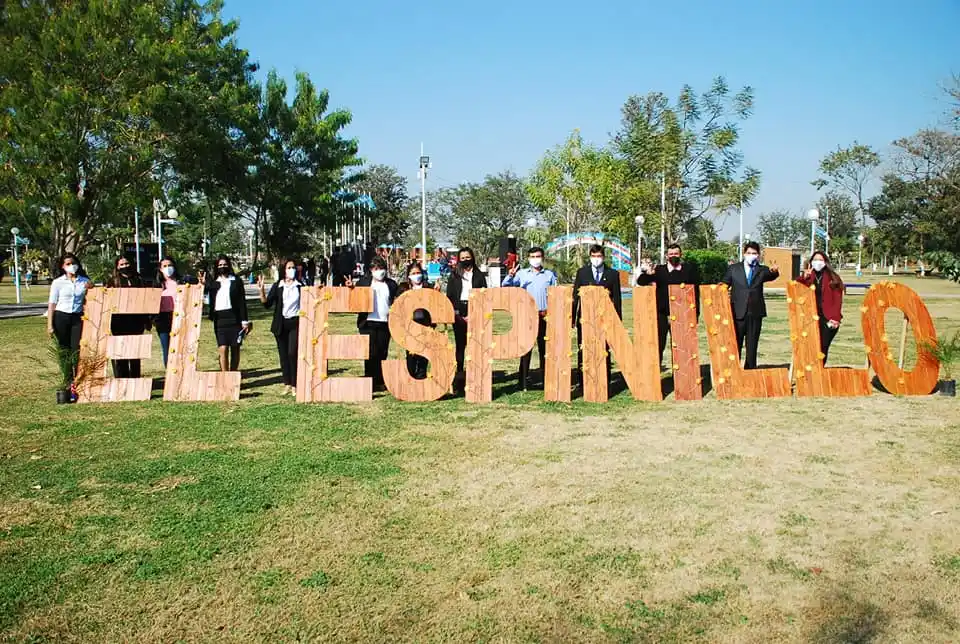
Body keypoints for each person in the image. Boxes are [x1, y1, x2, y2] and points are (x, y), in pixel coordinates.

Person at [636, 243, 701, 370]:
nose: (673, 256)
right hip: (662, 315)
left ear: (680, 254)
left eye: (676, 254)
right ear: (667, 256)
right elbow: (641, 281)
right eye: (671, 254)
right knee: (658, 344)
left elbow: (695, 292)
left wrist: (696, 313)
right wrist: (648, 273)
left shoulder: (689, 270)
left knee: (682, 347)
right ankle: (655, 371)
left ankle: (683, 374)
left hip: (682, 314)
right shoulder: (659, 270)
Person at [502, 246, 558, 389]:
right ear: (528, 259)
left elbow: (555, 295)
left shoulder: (550, 275)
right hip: (527, 316)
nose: (535, 260)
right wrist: (511, 275)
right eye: (532, 257)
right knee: (526, 349)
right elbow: (505, 286)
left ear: (543, 258)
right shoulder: (521, 274)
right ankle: (523, 382)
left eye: (538, 256)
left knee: (544, 349)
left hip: (545, 315)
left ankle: (547, 380)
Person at [721, 242, 780, 369]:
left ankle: (750, 370)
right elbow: (725, 284)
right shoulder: (734, 269)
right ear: (744, 253)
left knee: (752, 344)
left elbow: (772, 275)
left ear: (758, 255)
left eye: (754, 253)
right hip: (737, 312)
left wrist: (775, 271)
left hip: (755, 312)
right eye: (749, 253)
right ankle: (733, 369)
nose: (751, 255)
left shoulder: (762, 270)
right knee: (735, 343)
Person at [572, 245, 622, 378]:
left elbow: (617, 298)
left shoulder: (612, 274)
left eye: (599, 256)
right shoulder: (582, 273)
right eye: (593, 256)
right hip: (585, 318)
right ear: (590, 257)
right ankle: (583, 379)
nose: (596, 259)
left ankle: (604, 378)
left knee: (604, 348)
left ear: (603, 257)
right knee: (584, 348)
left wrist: (618, 320)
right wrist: (572, 318)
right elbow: (575, 296)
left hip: (605, 318)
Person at [47, 253, 91, 399]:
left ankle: (78, 379)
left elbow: (90, 299)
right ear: (63, 267)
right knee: (64, 351)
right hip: (61, 316)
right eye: (68, 264)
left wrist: (90, 288)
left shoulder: (84, 281)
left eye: (73, 263)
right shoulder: (58, 282)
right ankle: (67, 380)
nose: (71, 266)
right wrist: (50, 325)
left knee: (76, 350)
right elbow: (52, 303)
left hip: (77, 317)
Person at [351, 256, 397, 391]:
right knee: (370, 352)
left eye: (381, 268)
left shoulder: (391, 284)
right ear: (371, 270)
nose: (379, 271)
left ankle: (380, 380)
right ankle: (370, 380)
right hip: (368, 322)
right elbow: (354, 297)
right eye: (376, 269)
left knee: (382, 352)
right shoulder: (364, 282)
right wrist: (351, 288)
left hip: (384, 322)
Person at [258, 259, 303, 395]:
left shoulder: (300, 285)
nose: (291, 270)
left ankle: (295, 384)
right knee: (283, 355)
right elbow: (267, 304)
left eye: (293, 267)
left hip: (295, 323)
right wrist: (261, 291)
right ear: (284, 269)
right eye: (289, 267)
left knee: (292, 353)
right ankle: (287, 383)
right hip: (280, 324)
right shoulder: (279, 285)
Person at [201, 255, 251, 372]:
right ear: (216, 267)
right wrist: (203, 285)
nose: (222, 267)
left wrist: (244, 321)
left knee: (235, 348)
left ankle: (233, 375)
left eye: (225, 264)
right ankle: (224, 375)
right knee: (222, 348)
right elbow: (203, 294)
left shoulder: (236, 281)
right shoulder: (213, 283)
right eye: (220, 265)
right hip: (220, 319)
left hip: (234, 318)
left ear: (229, 265)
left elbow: (241, 302)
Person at [796, 250, 844, 364]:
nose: (818, 262)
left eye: (820, 260)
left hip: (828, 318)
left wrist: (835, 318)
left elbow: (838, 300)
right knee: (811, 347)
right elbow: (797, 289)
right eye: (815, 260)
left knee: (823, 347)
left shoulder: (833, 278)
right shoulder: (808, 276)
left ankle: (820, 370)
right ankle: (810, 372)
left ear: (825, 262)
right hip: (811, 316)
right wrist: (804, 278)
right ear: (811, 262)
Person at [106, 256, 150, 379]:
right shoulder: (113, 281)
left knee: (135, 351)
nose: (125, 266)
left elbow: (145, 300)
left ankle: (135, 377)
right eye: (122, 264)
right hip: (119, 321)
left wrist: (147, 320)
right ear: (117, 267)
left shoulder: (139, 279)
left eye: (127, 263)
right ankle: (122, 376)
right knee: (121, 350)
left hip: (136, 321)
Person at [397, 262, 442, 379]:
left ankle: (422, 375)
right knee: (411, 354)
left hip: (426, 325)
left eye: (418, 273)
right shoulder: (403, 288)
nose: (416, 275)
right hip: (410, 326)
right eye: (413, 273)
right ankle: (411, 377)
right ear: (408, 276)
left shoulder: (429, 287)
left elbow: (437, 305)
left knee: (424, 353)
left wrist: (437, 293)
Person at [446, 247, 488, 374]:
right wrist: (457, 313)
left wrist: (474, 314)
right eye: (463, 258)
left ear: (472, 258)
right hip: (459, 310)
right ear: (459, 259)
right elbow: (450, 295)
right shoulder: (454, 275)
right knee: (460, 344)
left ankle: (475, 371)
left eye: (467, 257)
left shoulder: (479, 275)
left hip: (474, 309)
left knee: (476, 344)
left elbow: (484, 294)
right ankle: (459, 371)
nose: (465, 260)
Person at [153, 257, 198, 367]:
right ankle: (170, 375)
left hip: (180, 317)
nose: (168, 268)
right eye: (165, 266)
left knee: (182, 347)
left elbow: (196, 283)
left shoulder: (182, 281)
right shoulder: (157, 284)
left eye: (170, 265)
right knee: (167, 348)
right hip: (163, 319)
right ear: (160, 269)